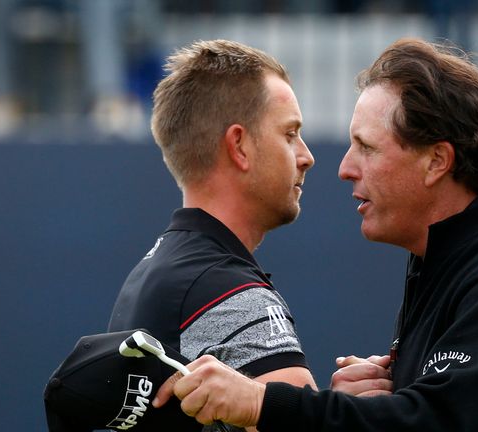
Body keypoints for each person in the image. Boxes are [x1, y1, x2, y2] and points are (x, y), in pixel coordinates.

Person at [151, 37, 478, 431]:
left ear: (436, 161)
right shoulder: (443, 262)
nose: (344, 168)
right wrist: (369, 400)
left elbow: (432, 423)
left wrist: (260, 403)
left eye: (367, 148)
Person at [107, 39, 317, 431]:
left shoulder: (151, 274)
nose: (306, 155)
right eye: (289, 134)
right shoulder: (229, 291)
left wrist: (342, 406)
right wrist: (372, 410)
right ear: (239, 146)